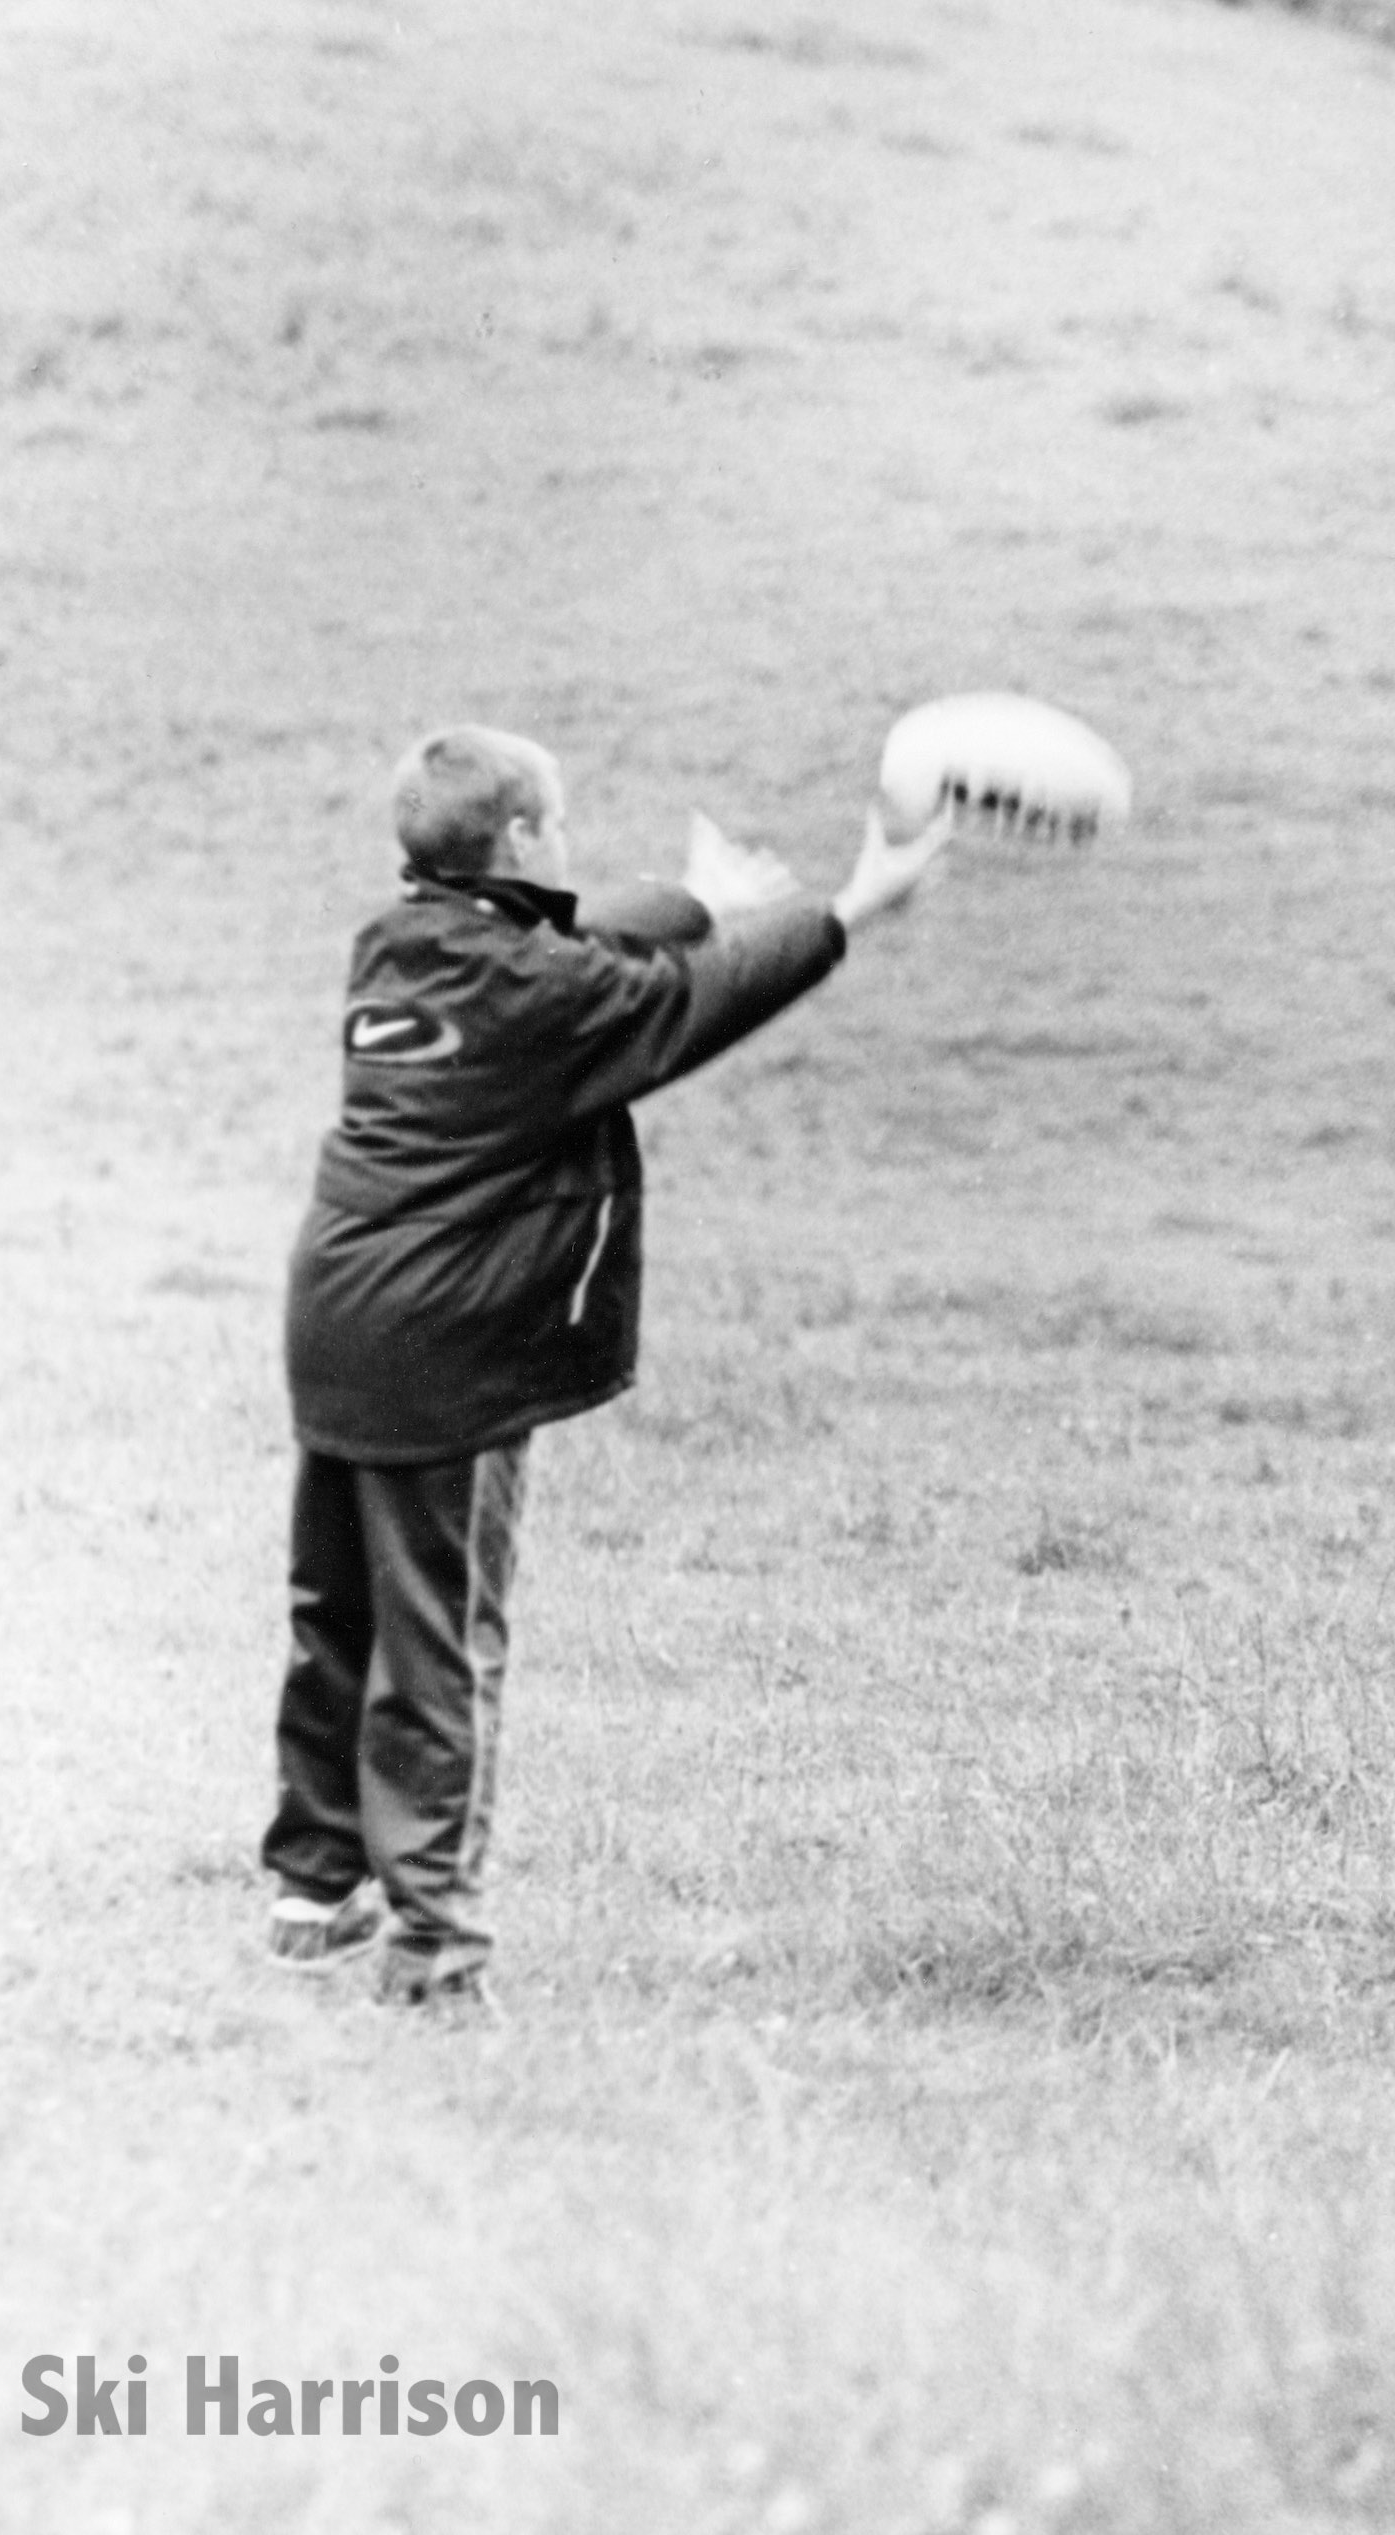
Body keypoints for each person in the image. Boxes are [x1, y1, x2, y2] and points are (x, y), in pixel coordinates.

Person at [264, 726, 950, 2010]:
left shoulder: (395, 946)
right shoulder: (547, 996)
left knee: (338, 1619)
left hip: (337, 1324)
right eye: (559, 823)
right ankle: (432, 1953)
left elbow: (568, 933)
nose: (567, 847)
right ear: (518, 839)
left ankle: (312, 1893)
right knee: (440, 1652)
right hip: (442, 1356)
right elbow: (678, 1001)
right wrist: (852, 906)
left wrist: (705, 901)